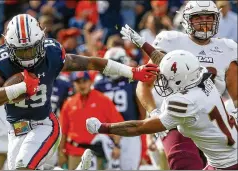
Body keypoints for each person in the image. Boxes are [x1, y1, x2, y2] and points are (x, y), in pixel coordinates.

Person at [0, 14, 154, 170]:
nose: (28, 56)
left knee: (23, 167)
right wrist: (21, 87)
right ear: (9, 47)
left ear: (41, 41)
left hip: (44, 125)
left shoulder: (52, 53)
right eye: (22, 51)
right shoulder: (0, 61)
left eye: (32, 49)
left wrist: (132, 72)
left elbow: (92, 63)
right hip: (16, 130)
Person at [119, 0, 237, 169]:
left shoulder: (227, 48)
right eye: (198, 17)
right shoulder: (171, 42)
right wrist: (153, 112)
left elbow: (236, 96)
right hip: (175, 117)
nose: (204, 22)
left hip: (209, 121)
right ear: (187, 20)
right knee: (185, 164)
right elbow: (144, 85)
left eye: (208, 17)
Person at [86, 50, 238, 170]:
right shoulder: (202, 76)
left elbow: (140, 127)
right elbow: (171, 62)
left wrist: (103, 127)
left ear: (180, 79)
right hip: (226, 155)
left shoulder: (184, 102)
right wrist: (144, 45)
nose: (162, 81)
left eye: (166, 77)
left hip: (227, 164)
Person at [59, 71, 124, 170]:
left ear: (90, 82)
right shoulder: (68, 104)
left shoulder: (103, 100)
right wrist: (61, 152)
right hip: (74, 153)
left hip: (96, 152)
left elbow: (117, 124)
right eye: (78, 82)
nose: (82, 85)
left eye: (84, 81)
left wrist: (116, 146)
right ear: (73, 84)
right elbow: (63, 131)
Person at [94, 47, 144, 170]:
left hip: (130, 131)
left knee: (129, 167)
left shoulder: (132, 81)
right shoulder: (99, 84)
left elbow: (142, 109)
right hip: (108, 133)